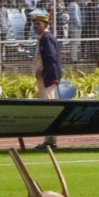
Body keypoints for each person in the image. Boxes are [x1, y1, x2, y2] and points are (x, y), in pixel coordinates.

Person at [31, 13, 61, 149]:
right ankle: (50, 138)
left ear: (45, 25)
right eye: (34, 24)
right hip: (45, 78)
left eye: (38, 24)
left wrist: (44, 73)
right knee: (48, 106)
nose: (35, 26)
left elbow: (51, 58)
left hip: (47, 78)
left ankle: (50, 140)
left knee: (49, 107)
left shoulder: (47, 38)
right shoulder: (43, 38)